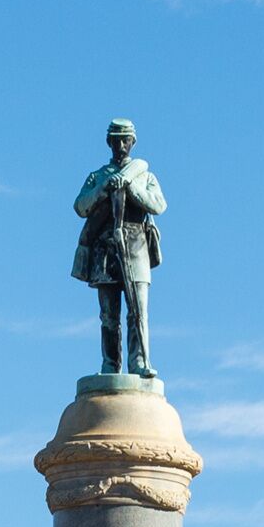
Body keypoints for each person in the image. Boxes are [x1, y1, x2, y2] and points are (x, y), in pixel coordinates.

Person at [69, 117, 165, 376]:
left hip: (136, 245)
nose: (121, 145)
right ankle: (110, 365)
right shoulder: (98, 176)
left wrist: (131, 187)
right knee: (108, 316)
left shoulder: (143, 175)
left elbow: (158, 205)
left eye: (126, 140)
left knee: (138, 311)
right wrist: (103, 189)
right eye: (116, 140)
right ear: (109, 142)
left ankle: (139, 363)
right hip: (106, 248)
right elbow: (81, 206)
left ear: (133, 142)